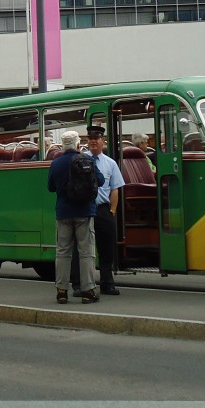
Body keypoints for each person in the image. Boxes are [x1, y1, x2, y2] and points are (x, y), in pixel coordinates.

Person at [46, 130, 99, 304]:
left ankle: (61, 291)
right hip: (84, 211)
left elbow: (50, 187)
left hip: (63, 212)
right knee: (86, 252)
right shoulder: (87, 160)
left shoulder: (56, 163)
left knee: (62, 252)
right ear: (78, 144)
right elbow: (100, 180)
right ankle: (88, 290)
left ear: (62, 145)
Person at [72, 126, 125, 296]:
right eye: (90, 139)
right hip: (84, 208)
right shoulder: (79, 160)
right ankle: (79, 285)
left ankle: (107, 283)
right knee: (81, 248)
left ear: (103, 141)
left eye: (97, 139)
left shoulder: (110, 163)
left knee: (106, 248)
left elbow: (115, 188)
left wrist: (112, 211)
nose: (93, 142)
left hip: (103, 209)